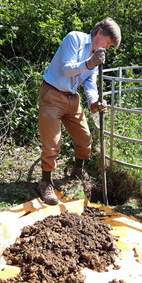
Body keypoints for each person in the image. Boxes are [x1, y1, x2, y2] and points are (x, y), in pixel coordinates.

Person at [38, 17, 121, 205]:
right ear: (99, 33)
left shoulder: (95, 56)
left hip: (72, 98)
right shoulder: (74, 38)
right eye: (107, 43)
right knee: (52, 143)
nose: (107, 48)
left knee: (85, 139)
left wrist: (94, 102)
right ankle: (46, 182)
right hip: (52, 94)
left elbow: (90, 84)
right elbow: (68, 69)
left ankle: (77, 169)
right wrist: (90, 62)